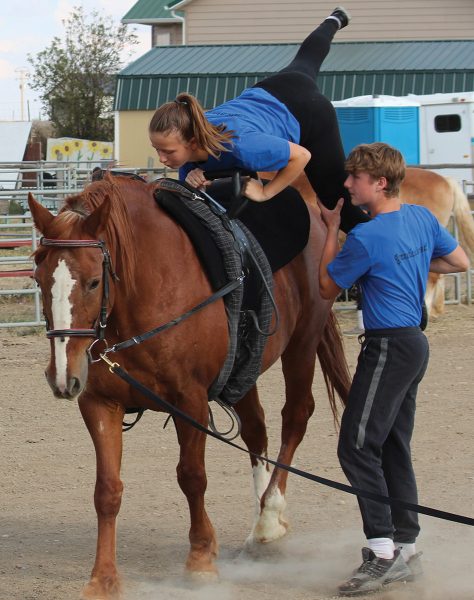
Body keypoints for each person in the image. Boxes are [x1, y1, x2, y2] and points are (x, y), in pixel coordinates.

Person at [317, 142, 469, 597]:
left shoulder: (365, 236)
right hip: (414, 344)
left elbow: (326, 285)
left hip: (387, 347)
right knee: (392, 445)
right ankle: (406, 549)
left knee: (357, 446)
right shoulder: (423, 218)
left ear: (378, 183)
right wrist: (413, 265)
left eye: (355, 178)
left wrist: (329, 230)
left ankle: (381, 553)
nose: (347, 184)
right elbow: (460, 262)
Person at [148, 7, 369, 233]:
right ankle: (334, 20)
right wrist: (199, 183)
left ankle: (391, 241)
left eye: (168, 151)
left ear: (193, 142)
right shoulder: (188, 131)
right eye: (158, 149)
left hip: (308, 113)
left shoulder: (241, 145)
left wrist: (265, 192)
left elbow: (301, 156)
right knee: (307, 59)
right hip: (274, 89)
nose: (162, 159)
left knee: (338, 205)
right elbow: (198, 202)